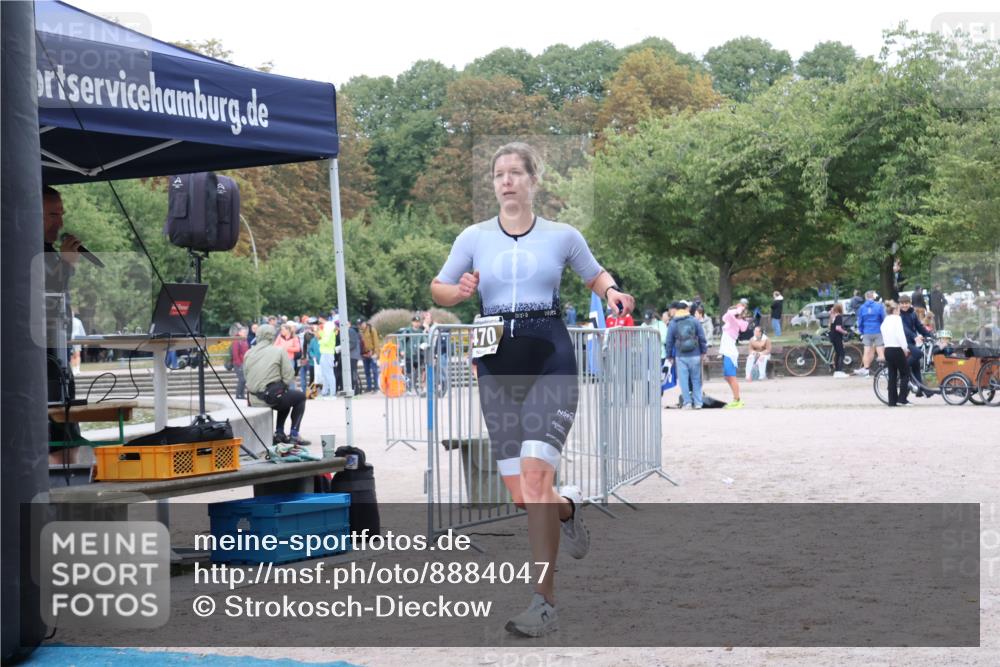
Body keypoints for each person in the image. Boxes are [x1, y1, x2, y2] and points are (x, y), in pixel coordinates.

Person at [430, 142, 635, 637]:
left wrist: (612, 293)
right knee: (523, 495)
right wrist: (454, 293)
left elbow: (596, 276)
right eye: (499, 174)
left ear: (532, 180)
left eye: (515, 173)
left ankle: (543, 602)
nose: (506, 181)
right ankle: (566, 511)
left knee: (537, 477)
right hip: (495, 361)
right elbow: (439, 286)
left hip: (549, 355)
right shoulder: (473, 237)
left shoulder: (562, 235)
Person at [243, 324, 311, 446]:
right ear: (272, 337)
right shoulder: (279, 351)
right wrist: (280, 384)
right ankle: (294, 434)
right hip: (271, 398)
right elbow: (288, 376)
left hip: (253, 399)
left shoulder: (248, 353)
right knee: (299, 397)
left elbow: (245, 375)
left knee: (284, 395)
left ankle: (280, 433)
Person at [665, 302, 707, 408]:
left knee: (683, 380)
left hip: (680, 356)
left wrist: (669, 356)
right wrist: (703, 352)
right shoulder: (694, 321)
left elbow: (669, 341)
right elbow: (702, 337)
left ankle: (687, 403)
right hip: (695, 354)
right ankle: (698, 403)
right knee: (696, 379)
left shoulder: (673, 323)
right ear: (686, 309)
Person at [898, 293, 932, 396]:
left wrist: (929, 334)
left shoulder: (913, 313)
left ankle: (921, 390)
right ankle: (902, 369)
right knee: (918, 354)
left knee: (916, 366)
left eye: (906, 303)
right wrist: (915, 336)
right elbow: (904, 328)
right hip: (903, 341)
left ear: (910, 303)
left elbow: (919, 326)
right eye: (902, 303)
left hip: (911, 341)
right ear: (899, 304)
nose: (904, 305)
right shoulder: (898, 315)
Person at [879, 301, 910, 406]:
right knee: (905, 374)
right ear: (895, 310)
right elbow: (900, 335)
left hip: (887, 349)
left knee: (892, 375)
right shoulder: (897, 319)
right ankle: (902, 399)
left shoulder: (885, 321)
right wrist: (905, 348)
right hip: (897, 348)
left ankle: (892, 401)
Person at [720, 302, 750, 408]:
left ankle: (737, 399)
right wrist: (738, 309)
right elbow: (725, 316)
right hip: (726, 352)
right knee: (727, 377)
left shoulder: (735, 321)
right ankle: (736, 398)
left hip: (730, 353)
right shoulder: (731, 319)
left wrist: (739, 309)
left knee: (731, 377)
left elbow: (729, 314)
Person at [854, 290, 885, 377]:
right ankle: (883, 371)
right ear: (873, 297)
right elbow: (883, 318)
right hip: (878, 331)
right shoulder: (879, 306)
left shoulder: (862, 307)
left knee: (867, 351)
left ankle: (866, 370)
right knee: (880, 351)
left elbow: (860, 321)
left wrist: (861, 331)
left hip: (867, 331)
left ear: (866, 297)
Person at [317, 313, 337, 399]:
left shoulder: (329, 325)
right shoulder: (327, 326)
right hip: (325, 353)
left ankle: (332, 393)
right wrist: (319, 331)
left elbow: (326, 340)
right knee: (325, 374)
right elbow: (324, 336)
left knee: (329, 374)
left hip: (328, 353)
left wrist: (319, 341)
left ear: (322, 319)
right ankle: (326, 392)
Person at [359, 320, 382, 393]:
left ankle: (376, 387)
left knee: (374, 370)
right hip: (364, 354)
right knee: (366, 371)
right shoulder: (361, 331)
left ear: (365, 323)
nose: (361, 325)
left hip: (372, 353)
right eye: (359, 324)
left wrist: (376, 353)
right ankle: (369, 387)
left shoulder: (371, 330)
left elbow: (376, 342)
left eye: (362, 323)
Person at [829, 303, 850, 378]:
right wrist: (845, 332)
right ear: (840, 308)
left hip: (833, 336)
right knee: (841, 353)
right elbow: (838, 328)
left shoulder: (833, 317)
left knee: (837, 353)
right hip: (837, 337)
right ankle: (839, 371)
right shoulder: (838, 317)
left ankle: (836, 371)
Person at [230, 326, 250, 399]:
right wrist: (239, 364)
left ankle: (241, 394)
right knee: (242, 379)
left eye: (246, 332)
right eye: (244, 332)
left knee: (244, 379)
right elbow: (235, 353)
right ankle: (238, 395)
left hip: (244, 363)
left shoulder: (244, 340)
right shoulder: (237, 341)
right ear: (239, 333)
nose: (246, 334)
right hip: (239, 363)